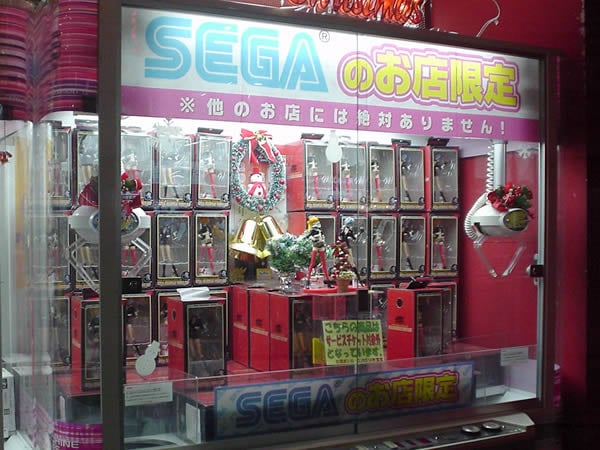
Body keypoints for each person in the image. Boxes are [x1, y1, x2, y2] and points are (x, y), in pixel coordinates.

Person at [306, 216, 330, 282]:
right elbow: (308, 237)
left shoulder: (320, 231)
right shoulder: (313, 231)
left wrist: (323, 242)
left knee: (324, 264)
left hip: (321, 246)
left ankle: (327, 280)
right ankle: (308, 279)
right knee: (312, 263)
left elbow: (323, 238)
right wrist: (314, 238)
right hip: (316, 247)